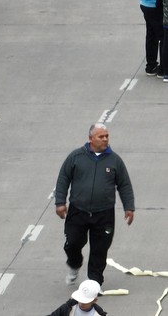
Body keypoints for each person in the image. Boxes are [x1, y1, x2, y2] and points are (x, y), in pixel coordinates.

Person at [55, 123, 135, 286]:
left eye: (107, 136)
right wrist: (60, 202)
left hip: (104, 214)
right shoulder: (76, 157)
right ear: (91, 139)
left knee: (100, 249)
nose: (105, 139)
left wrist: (129, 207)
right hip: (78, 211)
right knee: (73, 243)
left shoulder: (115, 160)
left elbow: (124, 184)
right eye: (101, 136)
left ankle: (94, 282)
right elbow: (64, 178)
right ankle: (74, 264)